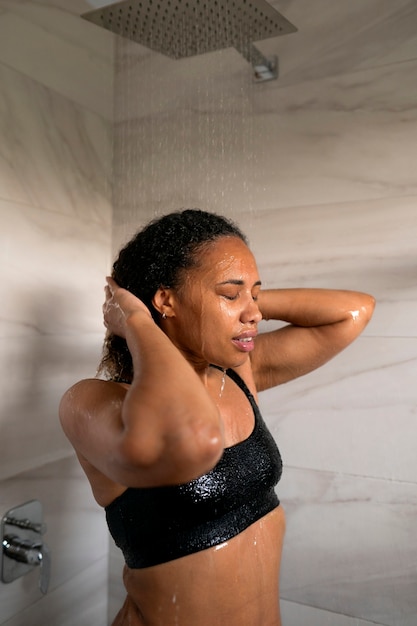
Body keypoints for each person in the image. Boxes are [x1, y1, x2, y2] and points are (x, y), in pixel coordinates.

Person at [59, 209, 375, 626]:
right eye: (230, 294)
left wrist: (237, 302)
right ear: (165, 299)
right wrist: (138, 319)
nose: (255, 313)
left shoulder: (236, 376)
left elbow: (353, 312)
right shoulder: (95, 403)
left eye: (255, 295)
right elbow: (192, 440)